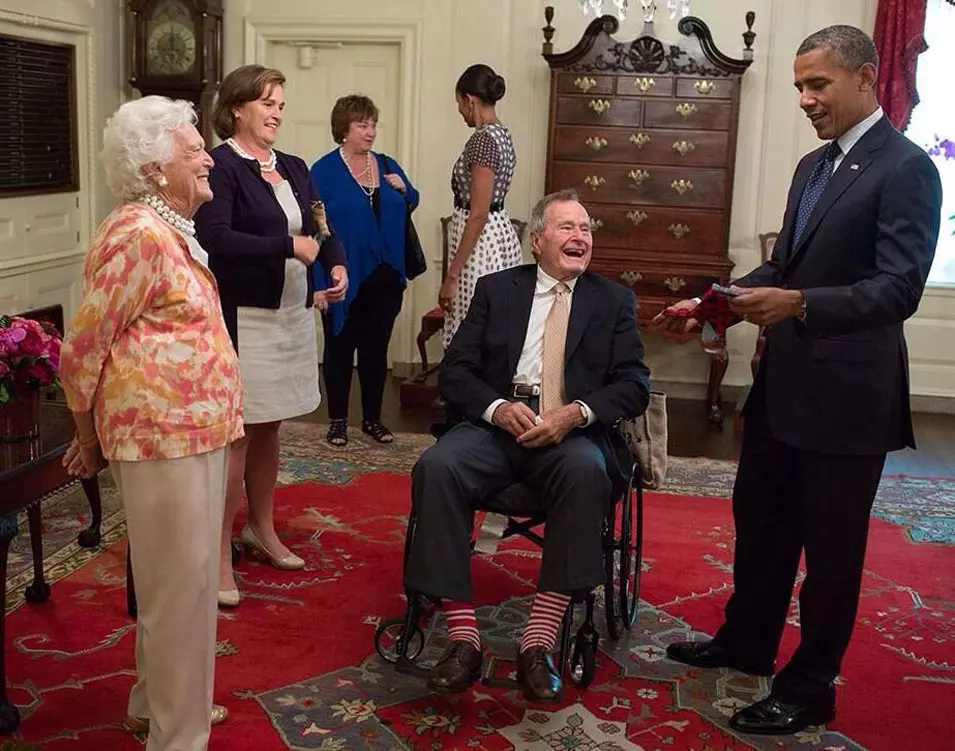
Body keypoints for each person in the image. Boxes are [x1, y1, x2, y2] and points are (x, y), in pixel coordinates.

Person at [656, 25, 942, 735]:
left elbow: (898, 288)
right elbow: (783, 268)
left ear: (866, 77)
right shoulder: (812, 168)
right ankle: (745, 640)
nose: (805, 99)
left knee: (831, 554)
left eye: (817, 84)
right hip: (782, 389)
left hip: (847, 400)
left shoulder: (905, 167)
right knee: (761, 528)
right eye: (798, 87)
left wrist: (802, 307)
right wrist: (713, 302)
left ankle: (810, 685)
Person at [403, 189, 651, 702]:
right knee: (437, 466)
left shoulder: (613, 300)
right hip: (496, 427)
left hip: (569, 434)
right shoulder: (499, 290)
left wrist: (574, 414)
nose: (580, 236)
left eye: (585, 228)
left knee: (588, 474)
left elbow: (634, 384)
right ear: (537, 241)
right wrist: (496, 408)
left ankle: (537, 644)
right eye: (567, 227)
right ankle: (463, 640)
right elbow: (456, 372)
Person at [59, 96, 243, 750]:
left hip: (196, 431)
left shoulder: (169, 226)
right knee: (179, 587)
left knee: (182, 581)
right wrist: (87, 436)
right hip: (161, 436)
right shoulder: (136, 233)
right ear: (154, 166)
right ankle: (177, 736)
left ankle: (153, 705)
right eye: (193, 146)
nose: (206, 155)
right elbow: (80, 347)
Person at [194, 65, 348, 608]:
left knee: (269, 428)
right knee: (237, 436)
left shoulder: (294, 165)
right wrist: (290, 249)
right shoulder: (221, 167)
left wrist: (334, 264)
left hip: (291, 314)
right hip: (247, 319)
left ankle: (260, 529)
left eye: (281, 103)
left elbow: (319, 226)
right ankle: (215, 552)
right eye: (267, 102)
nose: (277, 112)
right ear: (237, 108)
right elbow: (215, 239)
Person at [310, 95, 420, 446]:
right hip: (342, 276)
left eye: (373, 124)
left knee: (376, 351)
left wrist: (406, 190)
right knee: (340, 349)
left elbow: (410, 200)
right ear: (344, 129)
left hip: (386, 277)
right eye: (362, 125)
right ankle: (338, 421)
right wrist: (317, 284)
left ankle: (373, 419)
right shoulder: (323, 171)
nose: (370, 131)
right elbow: (314, 230)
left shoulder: (387, 164)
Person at [440, 63, 523, 349]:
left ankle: (471, 392)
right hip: (498, 235)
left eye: (459, 104)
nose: (460, 111)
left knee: (472, 328)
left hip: (481, 243)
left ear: (469, 99)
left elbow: (478, 214)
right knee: (493, 326)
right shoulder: (503, 133)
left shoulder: (483, 140)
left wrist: (451, 276)